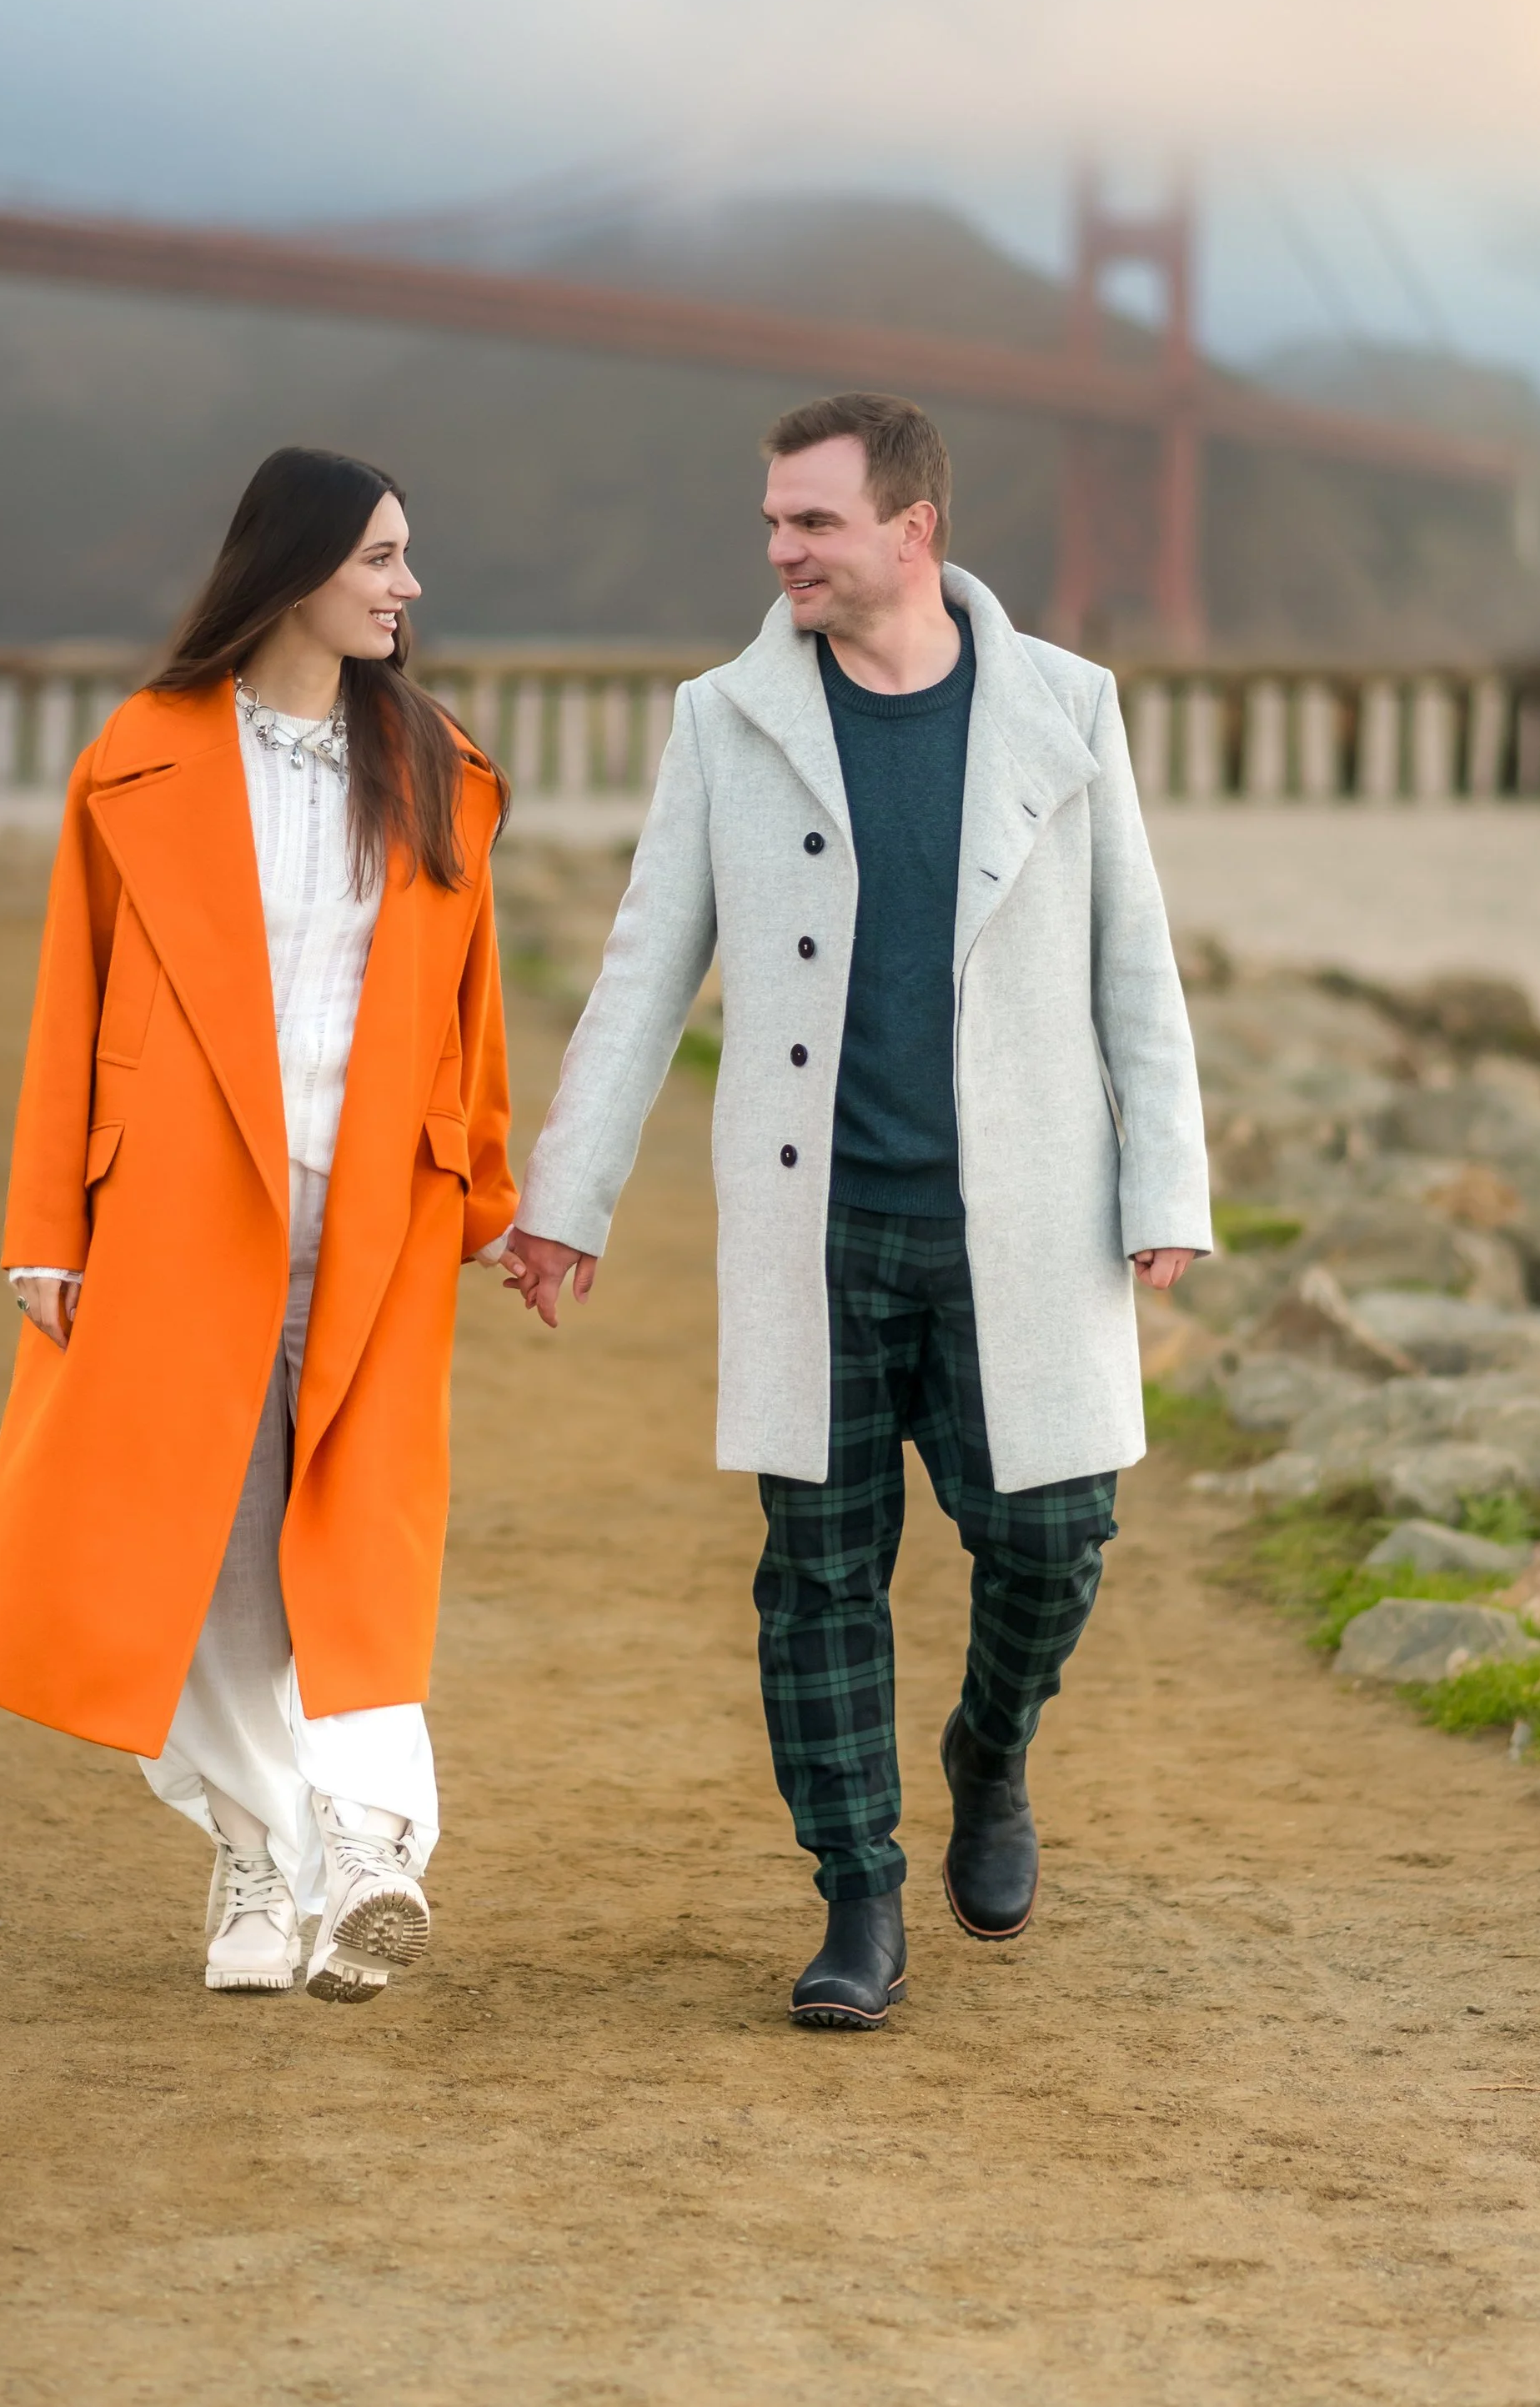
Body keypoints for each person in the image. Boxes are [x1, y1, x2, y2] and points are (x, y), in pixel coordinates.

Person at [507, 394, 1211, 2028]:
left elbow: (1134, 962)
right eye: (770, 522)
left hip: (1018, 1225)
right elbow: (640, 971)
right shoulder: (722, 718)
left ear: (912, 529)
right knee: (816, 1569)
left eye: (810, 522)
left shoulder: (1066, 705)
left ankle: (989, 1744)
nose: (778, 550)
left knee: (1051, 1532)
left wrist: (1160, 1178)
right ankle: (858, 1894)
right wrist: (568, 1199)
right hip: (813, 1229)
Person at [0, 448, 521, 2003]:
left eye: (409, 558)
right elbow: (74, 990)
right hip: (176, 1208)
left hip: (378, 1212)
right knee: (210, 1556)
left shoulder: (442, 766)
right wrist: (44, 1224)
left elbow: (470, 1017)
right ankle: (266, 1863)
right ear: (296, 569)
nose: (409, 587)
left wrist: (490, 1196)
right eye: (383, 558)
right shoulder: (138, 755)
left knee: (364, 1542)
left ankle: (373, 1853)